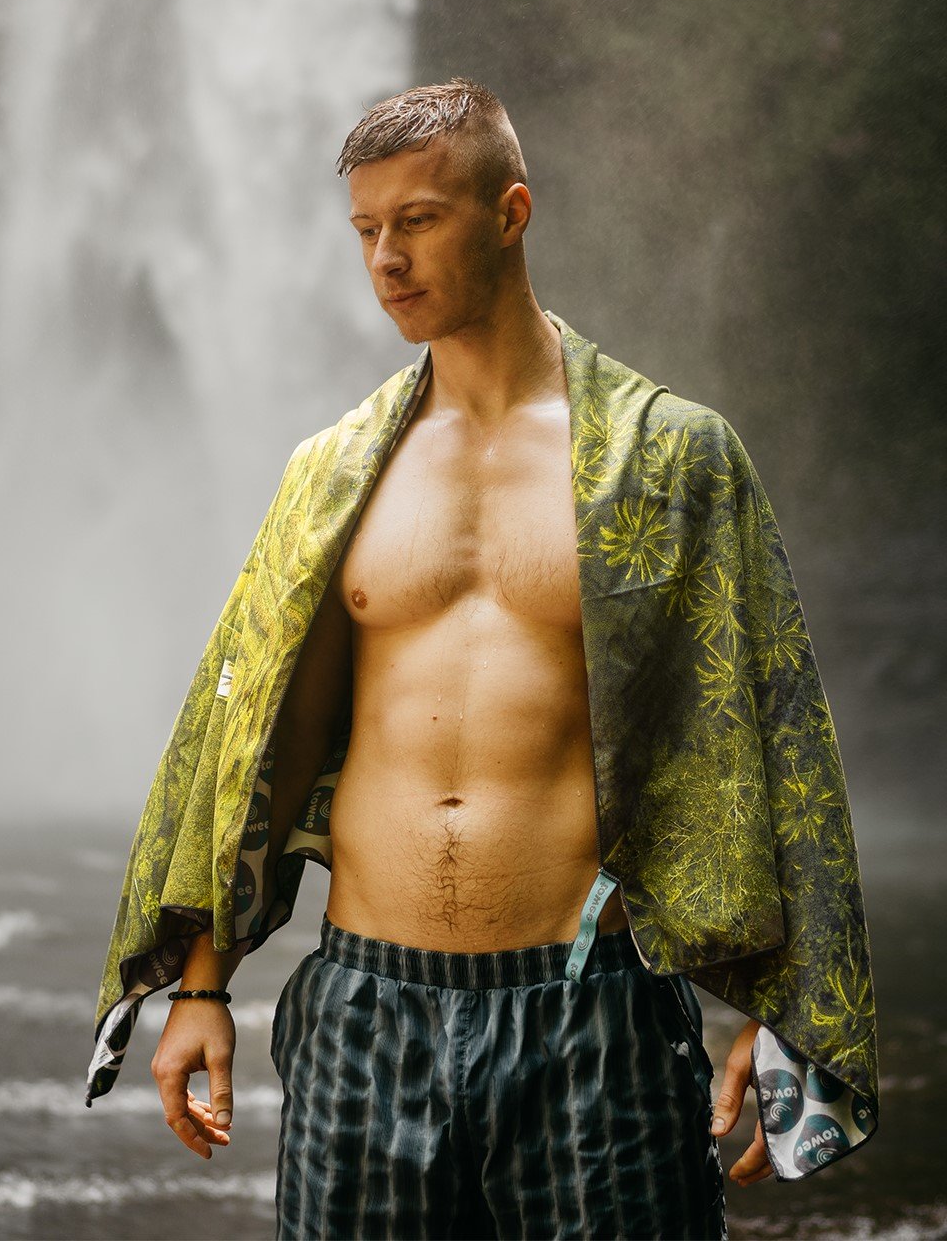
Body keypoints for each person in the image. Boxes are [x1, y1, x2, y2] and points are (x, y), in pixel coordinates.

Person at [86, 79, 878, 1240]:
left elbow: (767, 736)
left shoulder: (670, 458)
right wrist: (201, 981)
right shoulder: (330, 473)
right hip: (364, 1006)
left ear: (509, 212)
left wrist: (773, 1008)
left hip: (589, 1011)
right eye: (364, 230)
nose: (385, 260)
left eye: (416, 221)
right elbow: (247, 735)